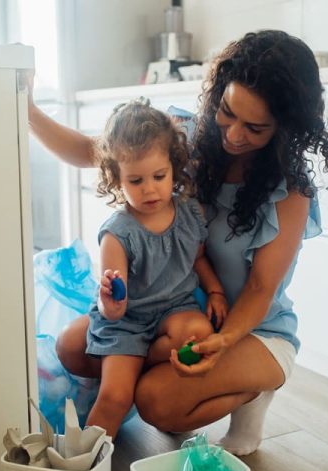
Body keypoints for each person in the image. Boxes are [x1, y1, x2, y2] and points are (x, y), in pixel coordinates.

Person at [28, 29, 328, 455]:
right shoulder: (185, 137)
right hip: (176, 308)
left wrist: (224, 341)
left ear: (284, 128)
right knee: (71, 347)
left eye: (255, 127)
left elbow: (262, 289)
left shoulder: (291, 191)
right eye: (228, 112)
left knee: (156, 401)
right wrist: (25, 110)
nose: (233, 134)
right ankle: (154, 380)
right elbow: (93, 152)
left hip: (253, 329)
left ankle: (254, 388)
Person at [77, 98, 228, 439]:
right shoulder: (117, 233)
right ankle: (81, 468)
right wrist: (110, 304)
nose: (149, 189)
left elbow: (198, 257)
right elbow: (113, 303)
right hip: (128, 321)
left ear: (174, 167)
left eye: (159, 176)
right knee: (116, 396)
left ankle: (139, 363)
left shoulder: (190, 213)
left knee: (200, 333)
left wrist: (216, 290)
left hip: (175, 308)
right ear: (116, 180)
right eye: (135, 181)